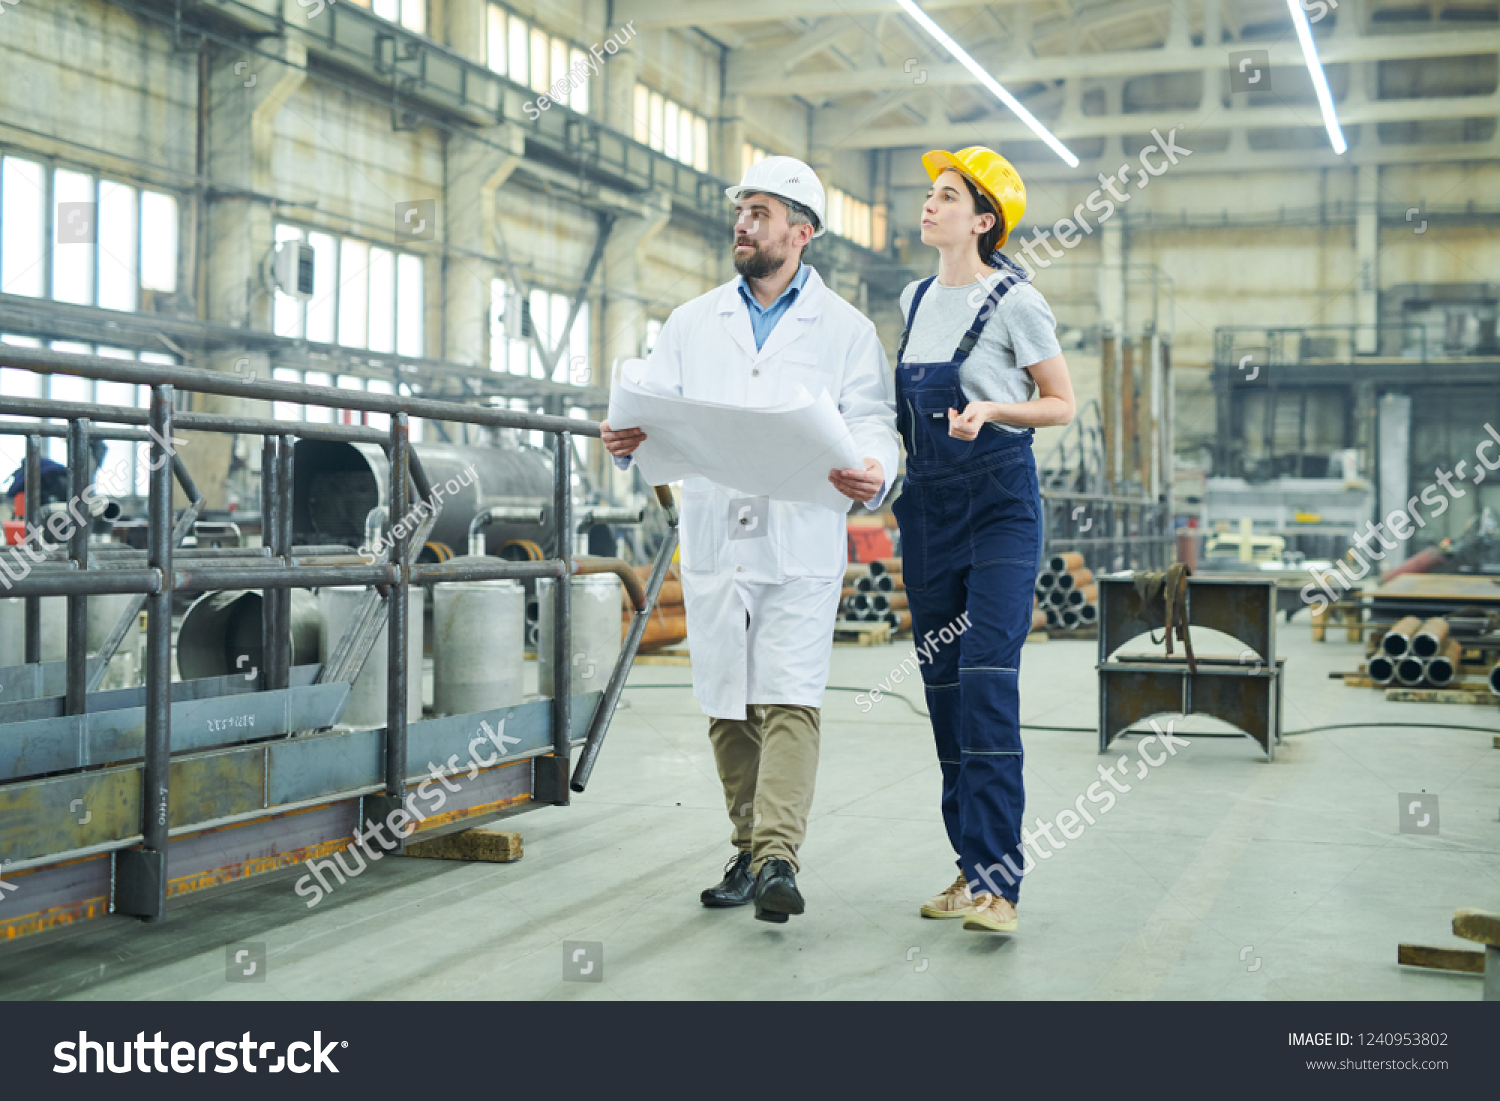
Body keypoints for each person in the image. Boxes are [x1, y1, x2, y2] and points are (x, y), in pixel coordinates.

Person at [601, 156, 899, 923]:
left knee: (789, 695)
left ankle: (777, 858)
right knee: (727, 701)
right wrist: (626, 436)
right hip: (714, 537)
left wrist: (875, 468)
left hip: (799, 538)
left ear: (801, 233)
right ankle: (748, 847)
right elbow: (654, 405)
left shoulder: (845, 330)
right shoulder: (695, 320)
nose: (743, 224)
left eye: (760, 212)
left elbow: (872, 421)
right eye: (741, 211)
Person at [892, 147, 1076, 934]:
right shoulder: (913, 296)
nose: (929, 206)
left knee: (987, 677)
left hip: (1000, 504)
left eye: (945, 196)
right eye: (929, 194)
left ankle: (1002, 883)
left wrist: (993, 411)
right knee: (943, 693)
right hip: (927, 511)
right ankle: (970, 869)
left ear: (982, 218)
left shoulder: (1016, 299)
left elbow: (1061, 402)